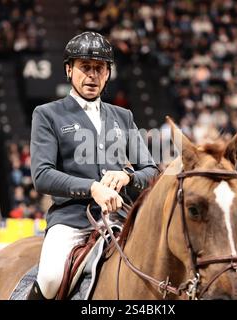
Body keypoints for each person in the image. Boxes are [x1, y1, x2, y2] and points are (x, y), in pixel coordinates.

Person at [27, 31, 159, 299]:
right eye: (85, 67)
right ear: (69, 70)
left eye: (99, 68)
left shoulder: (123, 116)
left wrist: (126, 177)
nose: (92, 75)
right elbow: (42, 176)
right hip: (71, 220)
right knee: (51, 278)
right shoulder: (47, 114)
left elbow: (151, 170)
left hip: (121, 220)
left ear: (108, 73)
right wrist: (92, 188)